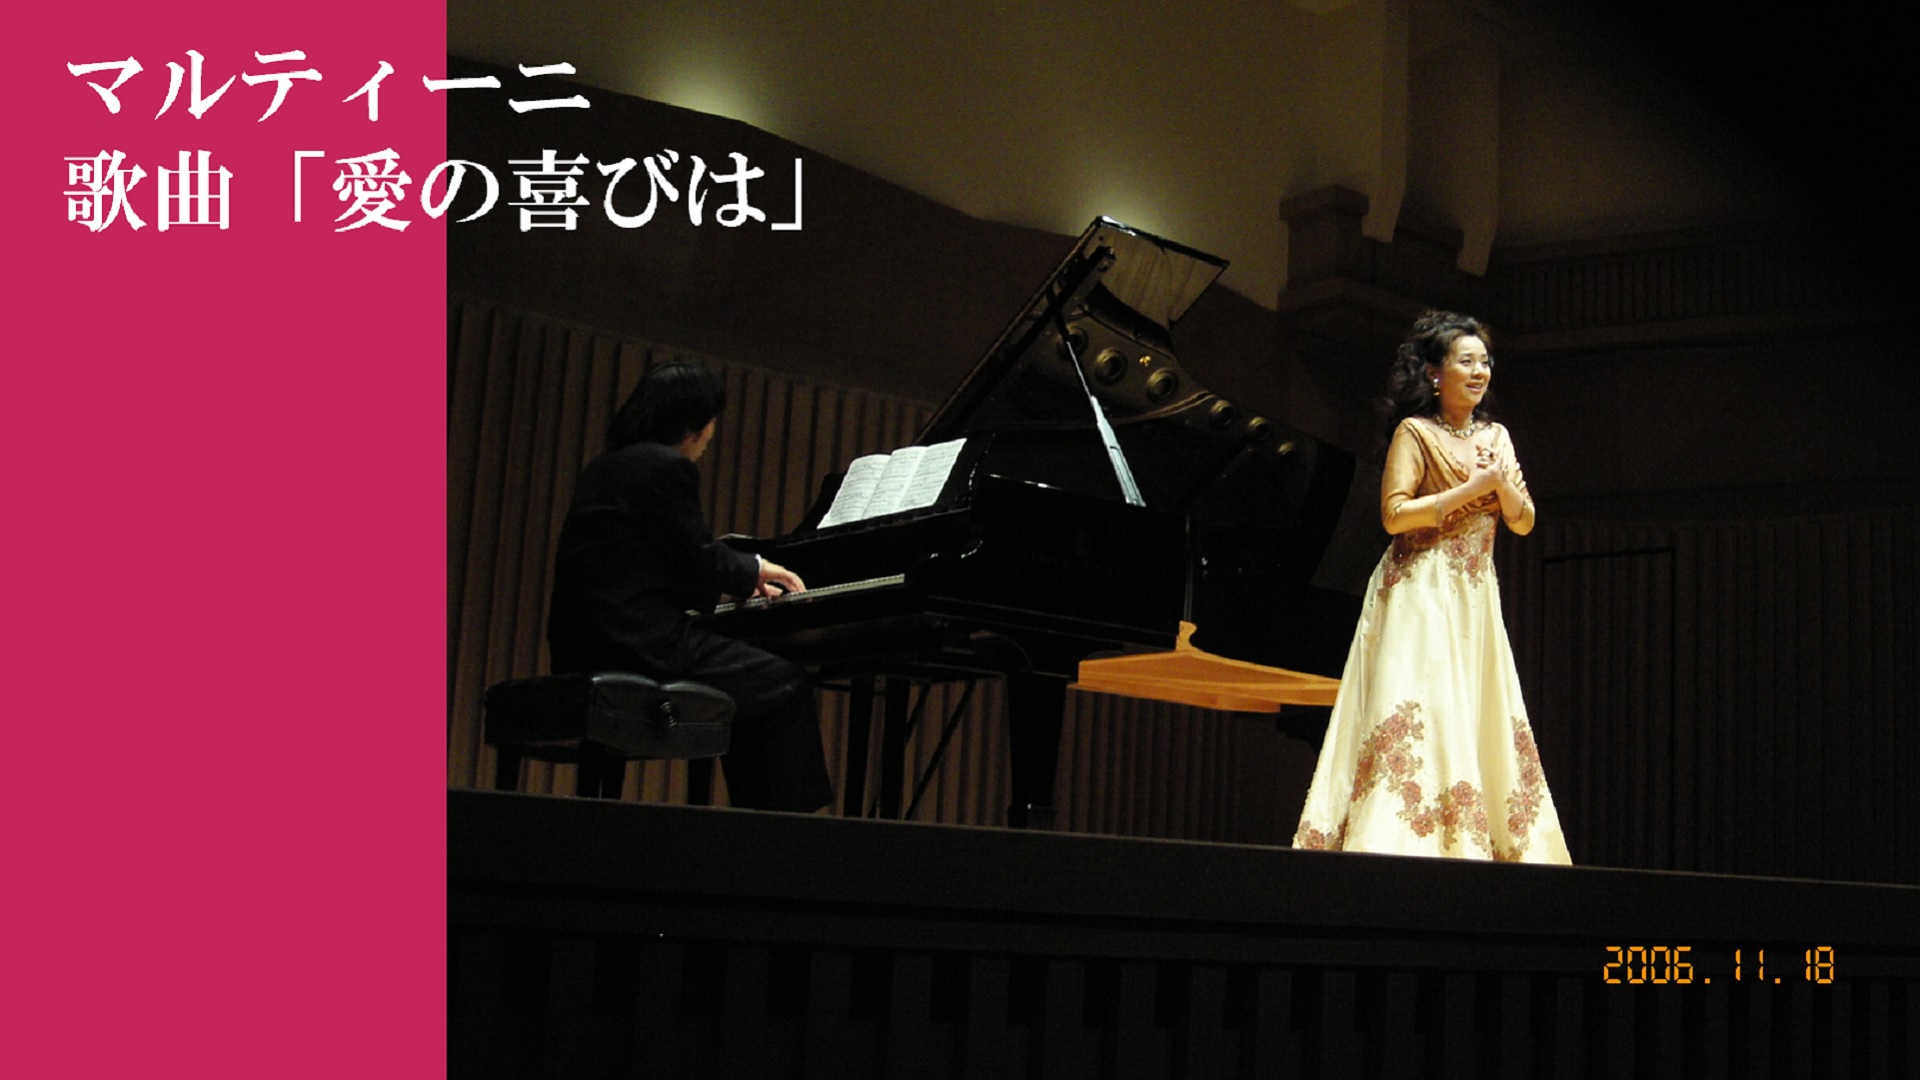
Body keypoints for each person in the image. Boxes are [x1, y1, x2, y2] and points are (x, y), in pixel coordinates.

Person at [1293, 311, 1571, 862]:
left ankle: (1472, 844)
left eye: (1485, 361)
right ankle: (1403, 841)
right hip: (1419, 591)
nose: (1480, 371)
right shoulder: (1415, 433)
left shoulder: (1496, 436)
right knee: (1423, 702)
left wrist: (1500, 487)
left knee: (1474, 709)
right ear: (1435, 373)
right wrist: (1473, 488)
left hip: (1474, 595)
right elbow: (1394, 515)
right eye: (1466, 361)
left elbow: (1523, 521)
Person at [547, 361, 836, 812]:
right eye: (711, 421)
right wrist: (754, 569)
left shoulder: (606, 466)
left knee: (753, 689)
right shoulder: (665, 466)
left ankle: (754, 825)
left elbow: (663, 561)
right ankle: (788, 834)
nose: (711, 434)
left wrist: (729, 574)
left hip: (583, 645)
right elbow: (699, 558)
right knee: (783, 685)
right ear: (691, 422)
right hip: (637, 643)